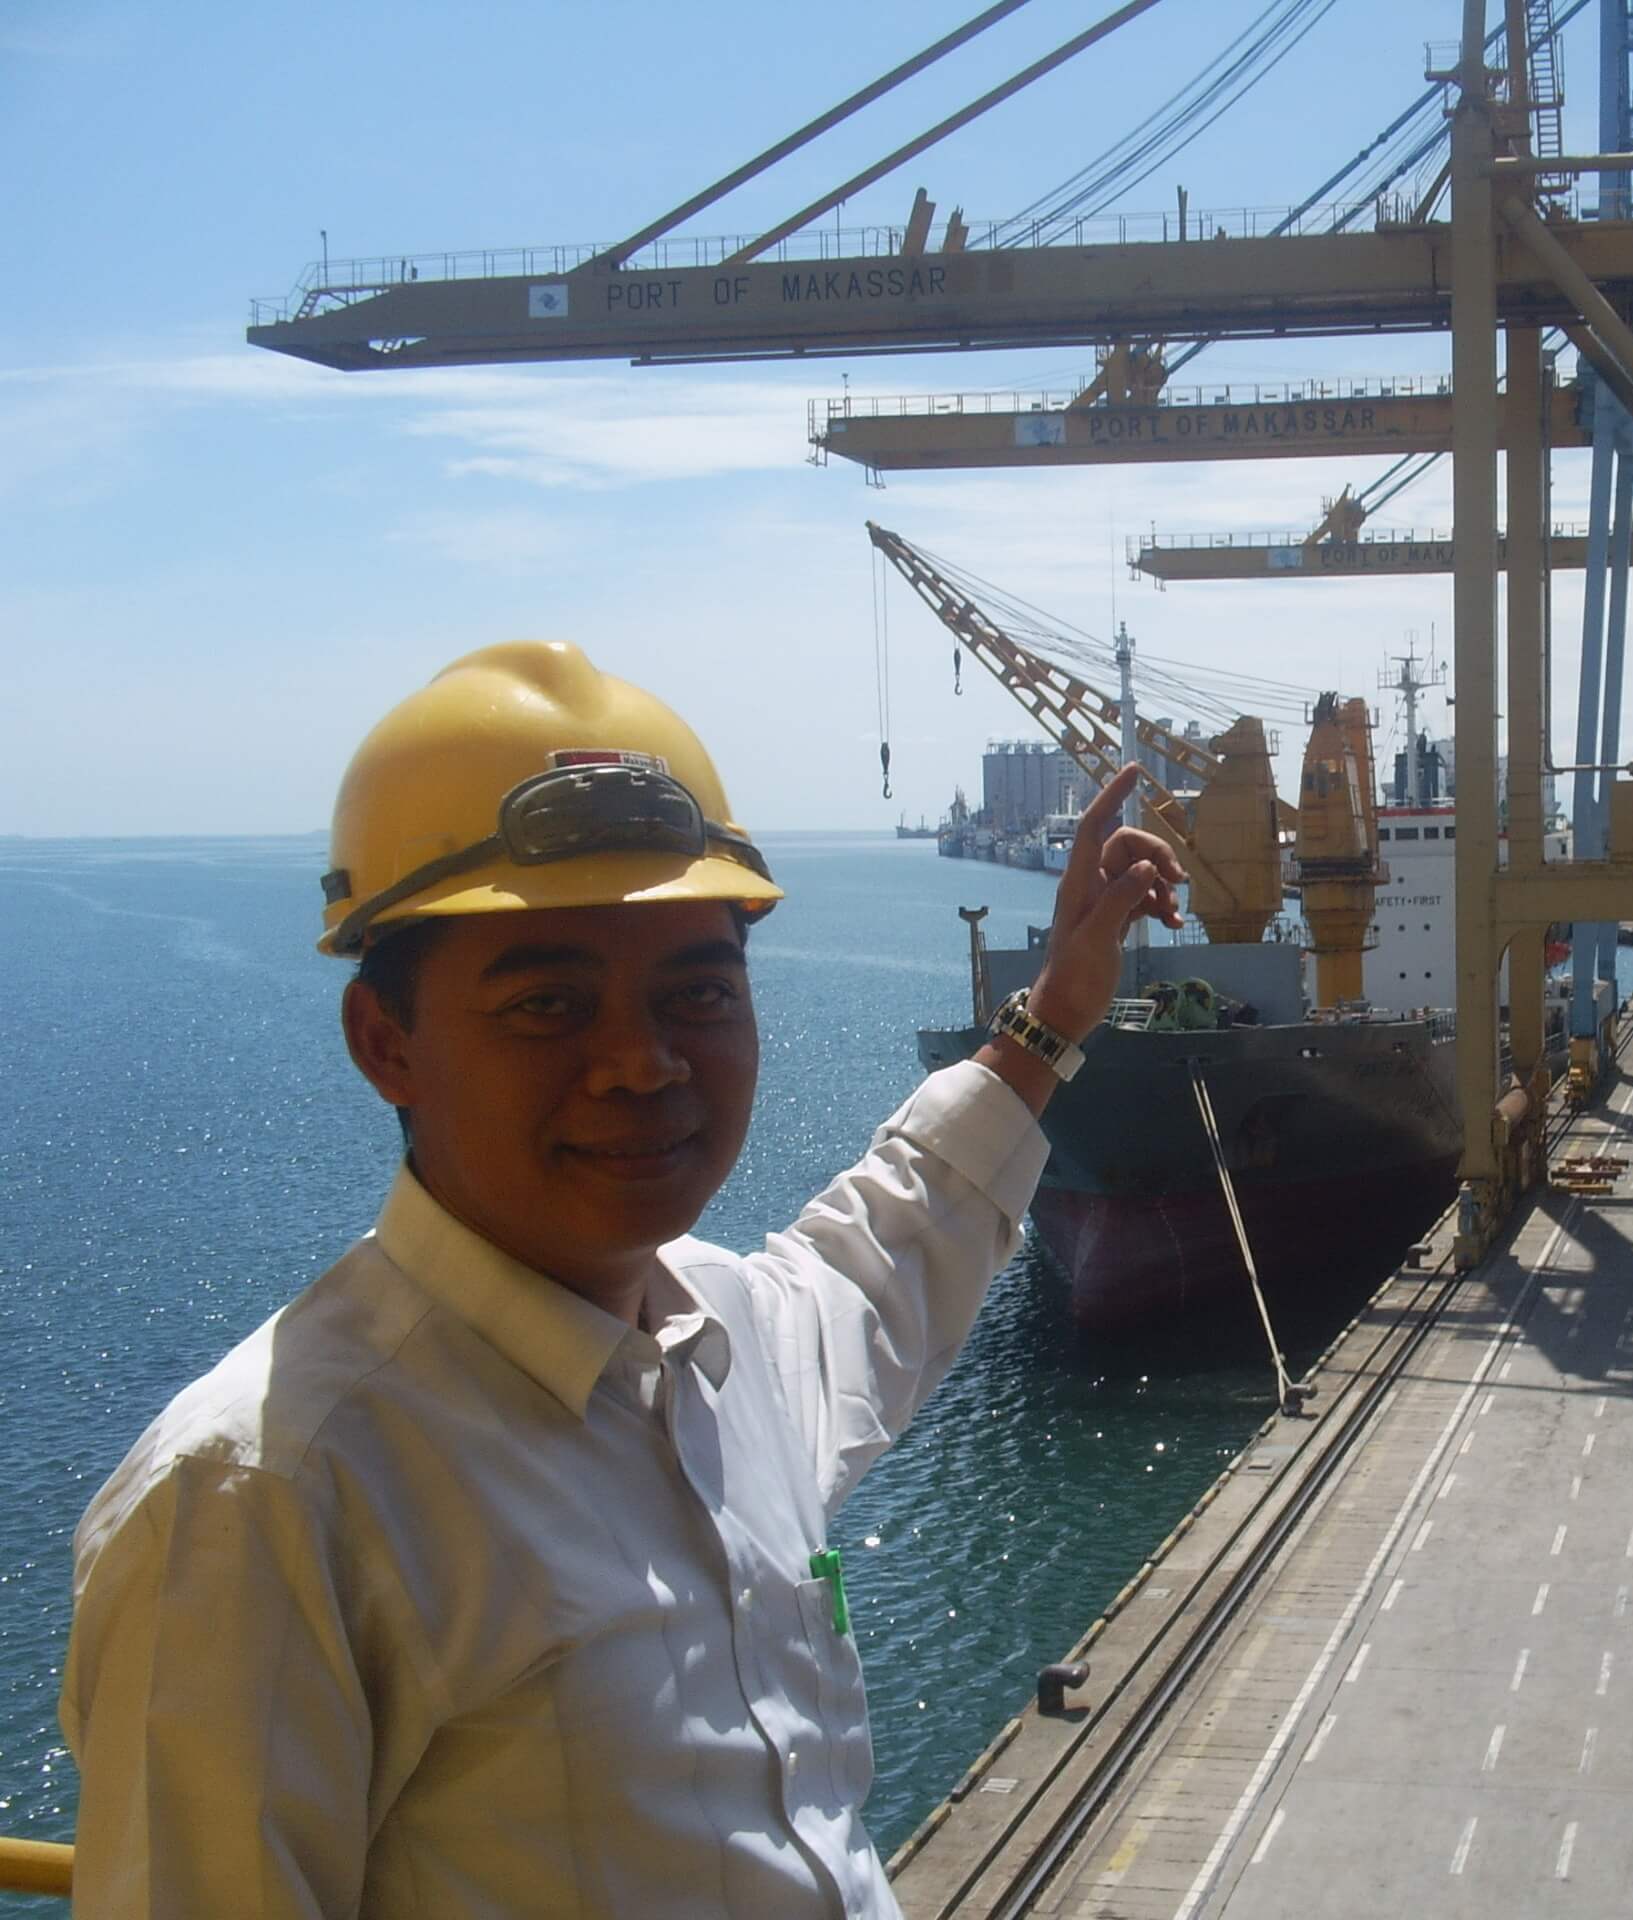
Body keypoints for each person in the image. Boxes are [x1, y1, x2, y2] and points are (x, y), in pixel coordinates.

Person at [58, 641, 1185, 1917]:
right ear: (385, 1043)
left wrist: (1050, 1018)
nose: (642, 1062)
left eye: (695, 994)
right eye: (548, 1005)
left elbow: (882, 1253)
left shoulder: (720, 1336)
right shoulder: (262, 1502)